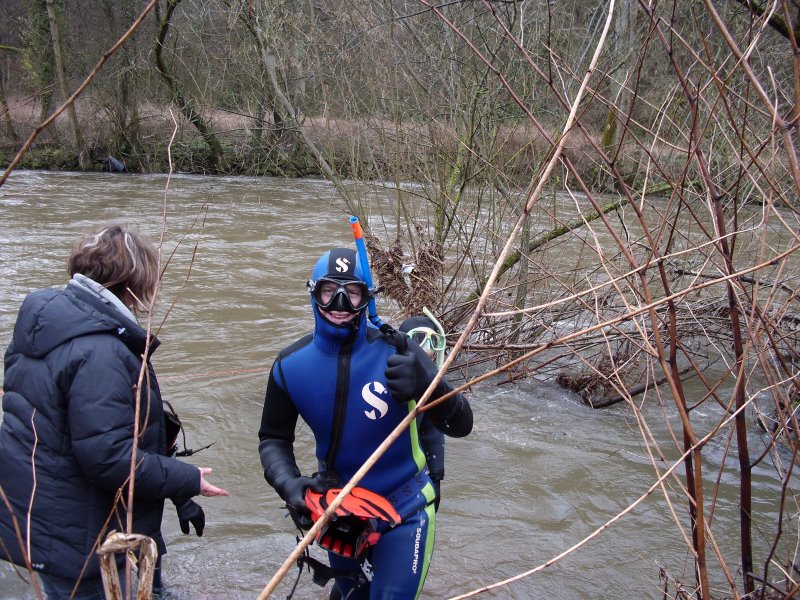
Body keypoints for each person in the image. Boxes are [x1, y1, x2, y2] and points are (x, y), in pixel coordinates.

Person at [0, 224, 229, 599]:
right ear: (135, 281)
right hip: (84, 541)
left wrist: (177, 495)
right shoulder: (100, 351)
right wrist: (186, 480)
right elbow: (108, 458)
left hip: (43, 525)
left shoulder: (49, 323)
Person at [258, 247, 472, 599]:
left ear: (366, 297)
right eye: (329, 291)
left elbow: (462, 423)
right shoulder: (289, 366)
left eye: (352, 292)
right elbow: (273, 439)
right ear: (314, 293)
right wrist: (288, 483)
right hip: (340, 511)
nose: (340, 303)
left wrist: (428, 384)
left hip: (406, 508)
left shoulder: (399, 353)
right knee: (349, 595)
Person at [399, 313, 448, 512]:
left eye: (432, 341)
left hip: (415, 472)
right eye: (418, 339)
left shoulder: (433, 385)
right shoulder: (384, 377)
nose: (427, 349)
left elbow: (433, 430)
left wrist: (436, 475)